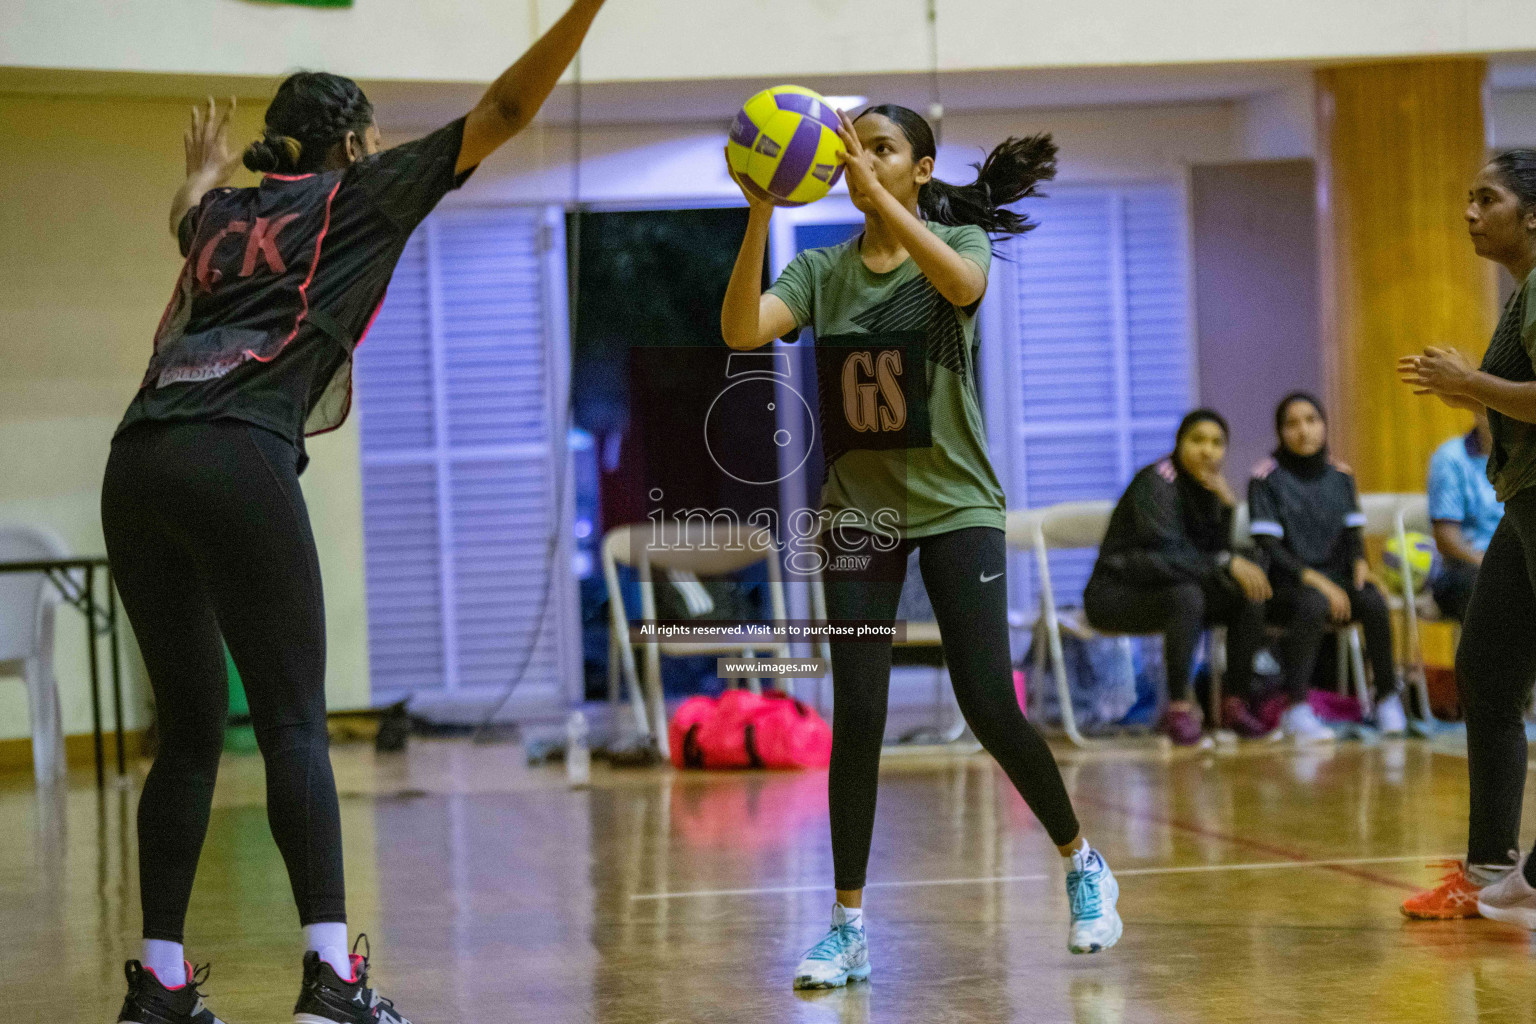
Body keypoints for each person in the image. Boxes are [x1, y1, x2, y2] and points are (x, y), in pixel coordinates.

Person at [102, 5, 608, 1023]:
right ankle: (332, 981)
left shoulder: (220, 216)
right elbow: (508, 108)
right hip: (237, 452)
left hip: (139, 458)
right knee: (293, 721)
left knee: (191, 733)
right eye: (368, 140)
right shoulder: (360, 195)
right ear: (346, 144)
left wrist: (201, 176)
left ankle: (160, 982)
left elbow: (186, 215)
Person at [720, 104, 1123, 989]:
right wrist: (758, 210)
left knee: (987, 702)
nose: (861, 158)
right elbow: (742, 330)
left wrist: (883, 202)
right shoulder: (822, 270)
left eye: (883, 148)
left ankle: (1082, 863)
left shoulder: (960, 248)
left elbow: (965, 289)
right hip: (858, 520)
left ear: (922, 169)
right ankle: (849, 925)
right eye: (852, 146)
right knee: (857, 717)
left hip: (957, 508)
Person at [1398, 149, 1536, 925]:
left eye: (1487, 199)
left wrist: (1470, 385)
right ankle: (1491, 870)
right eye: (1468, 198)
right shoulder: (1522, 294)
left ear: (1534, 215)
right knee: (1485, 665)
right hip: (1522, 506)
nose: (1470, 213)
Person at [1083, 410, 1273, 745]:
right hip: (1115, 593)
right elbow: (1166, 557)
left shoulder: (1208, 488)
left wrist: (1227, 508)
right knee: (1187, 595)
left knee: (1247, 596)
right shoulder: (1157, 482)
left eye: (1217, 443)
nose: (1207, 450)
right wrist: (1226, 562)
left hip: (1173, 592)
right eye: (1197, 440)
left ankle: (1233, 704)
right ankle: (1178, 710)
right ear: (1179, 443)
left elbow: (1212, 557)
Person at [1247, 393, 1407, 742]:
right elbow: (1269, 547)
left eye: (1312, 420)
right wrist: (1318, 581)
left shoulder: (1340, 474)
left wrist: (1361, 564)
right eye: (1292, 423)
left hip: (1335, 579)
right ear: (1280, 432)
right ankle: (1297, 708)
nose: (1303, 430)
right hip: (1286, 584)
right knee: (1314, 602)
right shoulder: (1265, 477)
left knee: (1373, 600)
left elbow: (1353, 534)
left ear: (1324, 425)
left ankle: (1386, 699)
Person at [1427, 408, 1503, 620]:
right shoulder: (1451, 457)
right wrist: (1490, 564)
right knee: (1493, 584)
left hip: (1512, 563)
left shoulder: (1524, 459)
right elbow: (1446, 538)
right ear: (1478, 413)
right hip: (1465, 566)